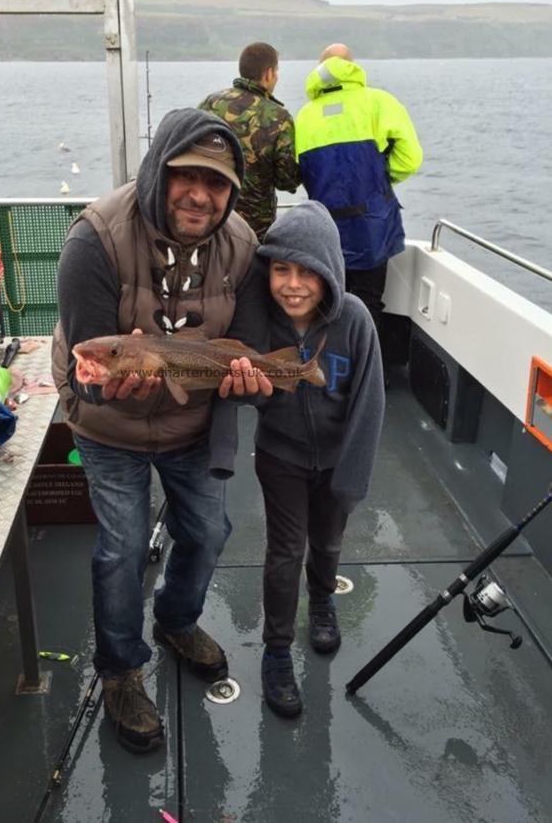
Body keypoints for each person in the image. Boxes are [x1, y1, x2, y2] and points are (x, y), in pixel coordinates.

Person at [52, 107, 272, 754]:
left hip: (191, 419)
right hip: (107, 423)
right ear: (158, 172)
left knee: (207, 530)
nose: (201, 196)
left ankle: (176, 621)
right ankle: (121, 669)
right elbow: (89, 365)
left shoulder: (241, 245)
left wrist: (249, 376)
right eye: (186, 177)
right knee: (120, 548)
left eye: (218, 184)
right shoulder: (93, 239)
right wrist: (104, 383)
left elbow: (252, 342)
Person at [253, 200, 385, 718]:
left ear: (330, 272)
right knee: (284, 552)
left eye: (308, 272)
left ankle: (324, 598)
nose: (293, 284)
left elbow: (369, 406)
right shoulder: (261, 321)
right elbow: (250, 398)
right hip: (279, 454)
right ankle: (277, 649)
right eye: (281, 269)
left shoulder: (354, 320)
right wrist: (255, 390)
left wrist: (350, 480)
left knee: (327, 542)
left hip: (336, 459)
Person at [294, 43, 422, 339]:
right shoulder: (379, 102)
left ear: (319, 70)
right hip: (372, 225)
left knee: (326, 302)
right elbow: (410, 158)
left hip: (324, 227)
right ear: (351, 66)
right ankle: (366, 373)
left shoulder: (304, 116)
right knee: (368, 302)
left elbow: (296, 169)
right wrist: (380, 179)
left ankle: (326, 370)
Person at [199, 41, 301, 236]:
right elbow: (286, 180)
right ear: (269, 73)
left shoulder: (210, 103)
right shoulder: (278, 117)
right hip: (254, 228)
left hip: (210, 218)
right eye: (276, 72)